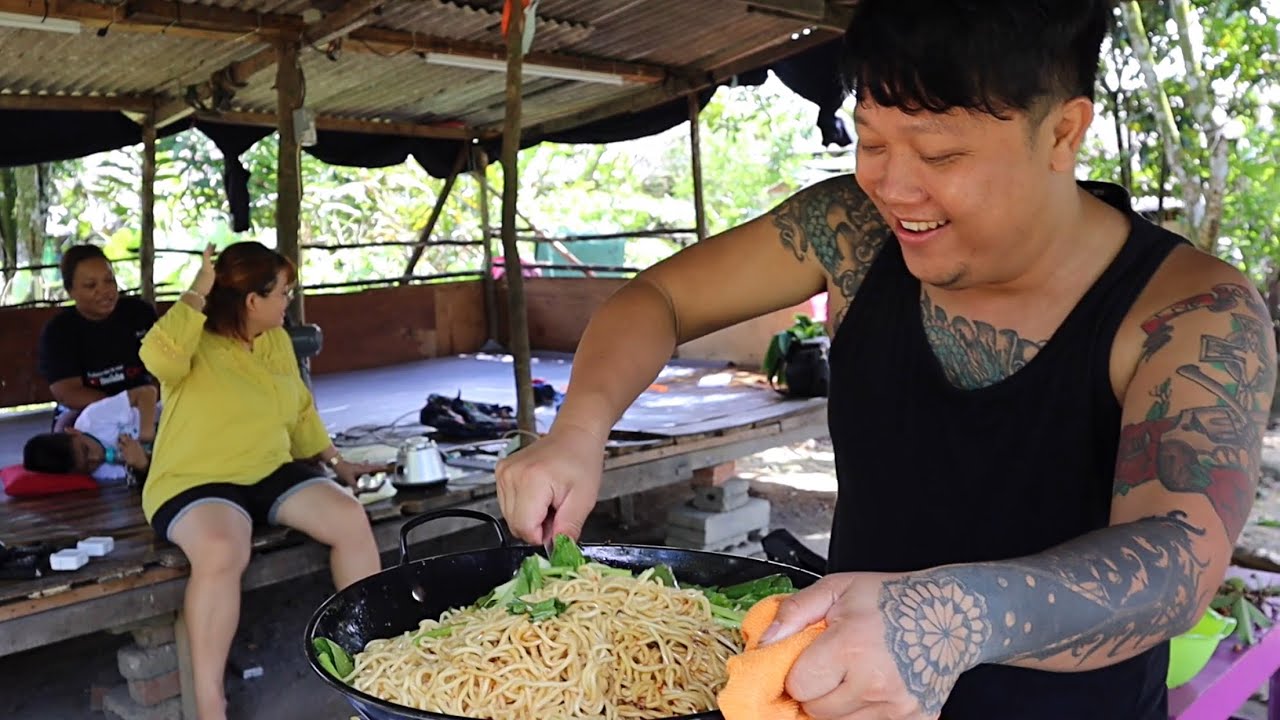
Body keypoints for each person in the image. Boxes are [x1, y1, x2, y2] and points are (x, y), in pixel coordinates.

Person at [493, 2, 1277, 719]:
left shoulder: (1190, 313)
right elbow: (658, 301)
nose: (894, 186)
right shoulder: (851, 230)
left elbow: (1177, 560)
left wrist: (948, 619)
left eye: (939, 153)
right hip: (826, 698)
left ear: (1063, 132)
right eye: (872, 140)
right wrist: (579, 432)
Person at [139, 242, 383, 720]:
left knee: (348, 516)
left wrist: (337, 462)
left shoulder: (274, 341)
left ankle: (372, 659)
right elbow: (157, 359)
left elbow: (300, 411)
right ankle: (210, 702)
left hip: (268, 469)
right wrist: (196, 291)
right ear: (253, 300)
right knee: (222, 548)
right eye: (283, 293)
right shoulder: (195, 339)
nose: (288, 300)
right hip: (195, 479)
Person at [37, 244, 157, 431]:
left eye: (109, 280)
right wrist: (122, 406)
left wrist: (145, 406)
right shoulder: (59, 331)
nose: (104, 291)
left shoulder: (139, 313)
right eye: (90, 285)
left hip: (146, 409)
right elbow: (67, 393)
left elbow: (163, 367)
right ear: (71, 291)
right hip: (89, 412)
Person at [22, 384, 158, 485]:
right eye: (87, 466)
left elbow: (147, 393)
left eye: (86, 449)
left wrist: (146, 434)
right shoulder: (102, 473)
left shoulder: (93, 418)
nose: (96, 457)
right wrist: (142, 465)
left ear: (73, 431)